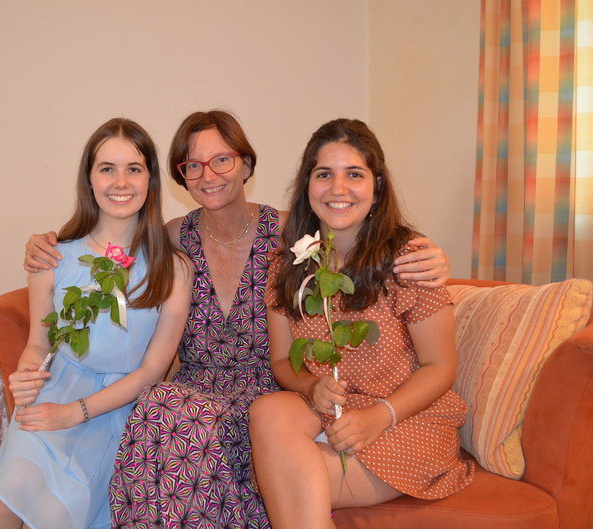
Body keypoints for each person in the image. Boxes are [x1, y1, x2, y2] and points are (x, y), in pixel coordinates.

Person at [23, 110, 451, 528]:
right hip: (202, 389)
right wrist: (49, 242)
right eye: (194, 165)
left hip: (269, 390)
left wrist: (428, 250)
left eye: (222, 159)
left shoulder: (289, 236)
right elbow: (107, 242)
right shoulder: (173, 237)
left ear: (245, 164)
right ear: (181, 177)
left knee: (188, 421)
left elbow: (359, 236)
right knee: (159, 406)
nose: (209, 175)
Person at [251, 118, 474, 529]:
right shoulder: (288, 266)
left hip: (404, 421)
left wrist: (379, 416)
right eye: (324, 175)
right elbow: (283, 362)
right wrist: (310, 386)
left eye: (354, 174)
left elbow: (440, 367)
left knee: (280, 478)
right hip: (328, 415)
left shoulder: (409, 260)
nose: (338, 189)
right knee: (268, 410)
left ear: (377, 187)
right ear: (307, 186)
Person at [0, 118, 192, 529]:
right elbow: (39, 344)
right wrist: (28, 372)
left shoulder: (173, 269)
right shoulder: (53, 258)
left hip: (125, 406)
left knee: (65, 511)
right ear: (89, 179)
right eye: (106, 168)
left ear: (150, 179)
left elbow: (153, 369)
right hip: (57, 390)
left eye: (134, 168)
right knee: (5, 499)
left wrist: (77, 413)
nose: (121, 181)